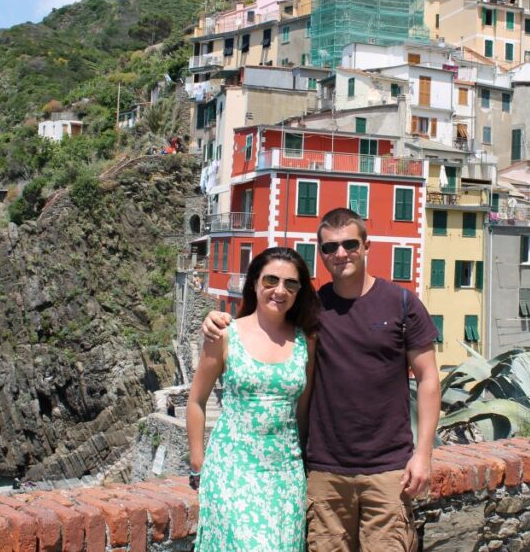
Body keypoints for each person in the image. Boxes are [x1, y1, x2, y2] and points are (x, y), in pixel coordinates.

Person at [203, 208, 441, 551]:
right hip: (324, 473)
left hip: (389, 470)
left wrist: (424, 455)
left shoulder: (401, 303)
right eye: (330, 247)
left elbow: (429, 378)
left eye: (350, 244)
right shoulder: (313, 309)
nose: (340, 253)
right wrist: (217, 318)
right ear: (321, 253)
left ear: (366, 246)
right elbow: (267, 323)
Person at [187, 246, 320, 551]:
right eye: (271, 280)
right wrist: (198, 464)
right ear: (255, 283)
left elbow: (302, 411)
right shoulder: (225, 335)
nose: (280, 290)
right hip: (231, 472)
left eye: (290, 284)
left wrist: (302, 464)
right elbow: (196, 401)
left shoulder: (306, 341)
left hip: (284, 475)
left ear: (299, 291)